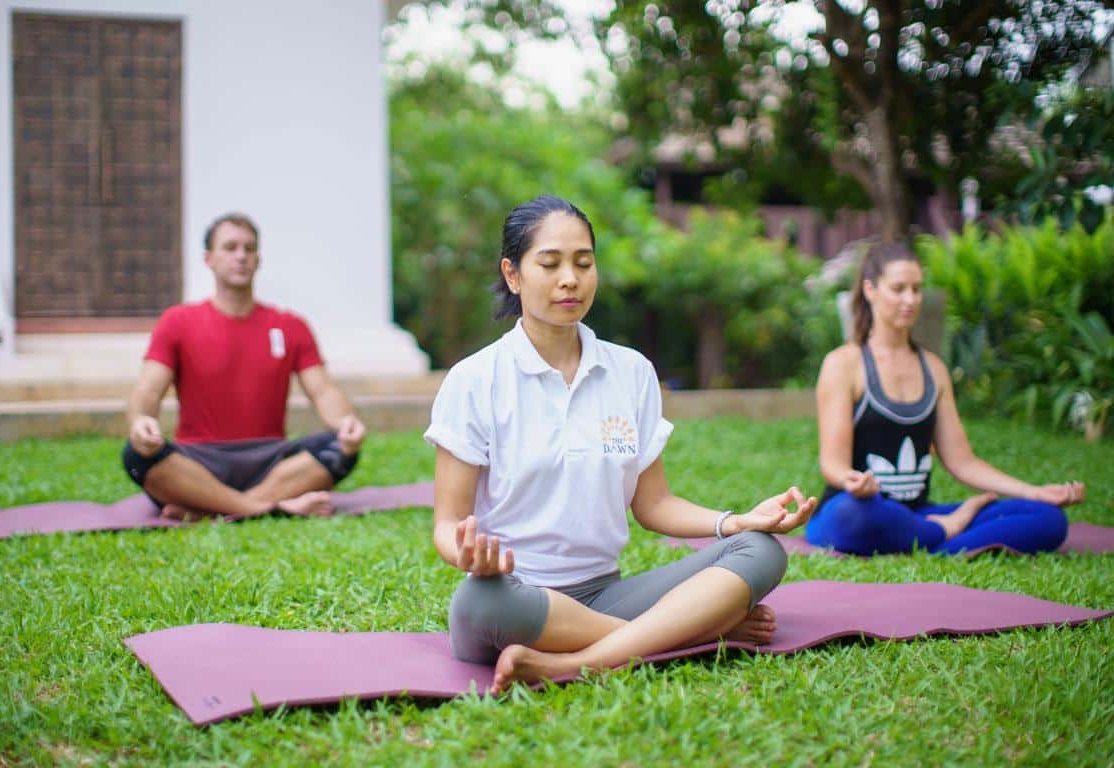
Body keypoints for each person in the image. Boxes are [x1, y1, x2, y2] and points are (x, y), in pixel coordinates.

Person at [425, 195, 816, 694]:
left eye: (583, 263)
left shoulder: (630, 372)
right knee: (481, 604)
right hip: (516, 596)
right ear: (513, 274)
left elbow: (653, 504)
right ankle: (690, 635)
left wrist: (735, 522)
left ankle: (571, 662)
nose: (570, 278)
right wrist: (466, 557)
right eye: (550, 263)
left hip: (607, 596)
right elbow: (446, 523)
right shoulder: (475, 380)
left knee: (760, 550)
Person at [808, 240, 1084, 555]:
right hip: (857, 512)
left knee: (1048, 519)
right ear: (870, 290)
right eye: (898, 289)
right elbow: (832, 465)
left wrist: (1034, 493)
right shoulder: (843, 364)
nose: (910, 300)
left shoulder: (934, 369)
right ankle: (947, 530)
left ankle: (930, 536)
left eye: (916, 289)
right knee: (854, 514)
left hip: (915, 514)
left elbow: (962, 461)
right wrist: (852, 481)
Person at [122, 212, 367, 521]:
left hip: (270, 463)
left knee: (338, 448)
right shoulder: (177, 322)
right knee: (136, 455)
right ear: (209, 258)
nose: (241, 256)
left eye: (249, 249)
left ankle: (209, 509)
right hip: (197, 462)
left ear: (258, 259)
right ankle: (265, 508)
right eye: (230, 247)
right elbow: (149, 389)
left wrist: (346, 423)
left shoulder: (290, 325)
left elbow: (323, 390)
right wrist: (140, 422)